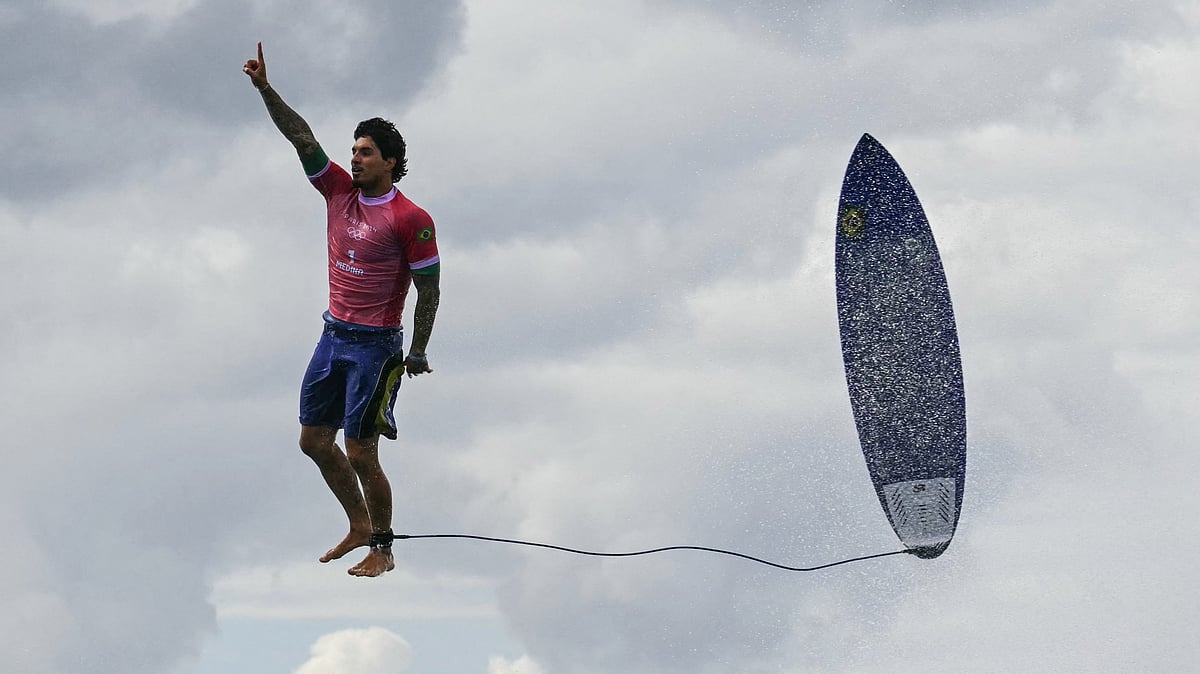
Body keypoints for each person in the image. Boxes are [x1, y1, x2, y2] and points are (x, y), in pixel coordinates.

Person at [243, 42, 441, 577]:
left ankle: (383, 546)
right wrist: (265, 89)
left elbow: (429, 289)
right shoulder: (337, 191)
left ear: (391, 163)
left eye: (366, 152)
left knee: (360, 452)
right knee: (313, 440)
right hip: (333, 336)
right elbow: (301, 136)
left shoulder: (410, 218)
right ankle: (357, 523)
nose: (354, 158)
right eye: (353, 150)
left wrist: (418, 348)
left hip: (376, 347)